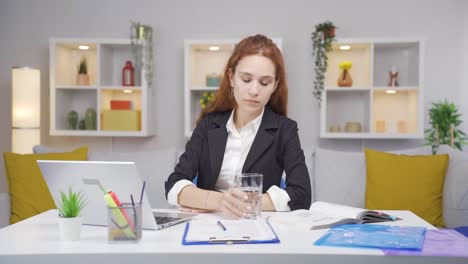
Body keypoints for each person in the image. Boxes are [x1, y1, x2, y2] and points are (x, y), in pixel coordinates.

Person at [165, 34, 311, 218]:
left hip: (257, 224)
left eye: (264, 82)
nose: (254, 91)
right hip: (207, 226)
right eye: (246, 79)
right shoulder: (209, 124)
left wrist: (244, 203)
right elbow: (174, 185)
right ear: (231, 77)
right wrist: (220, 201)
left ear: (275, 85)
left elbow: (302, 195)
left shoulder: (285, 130)